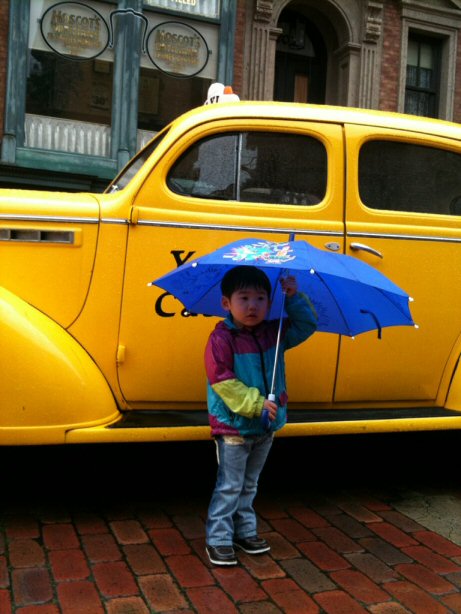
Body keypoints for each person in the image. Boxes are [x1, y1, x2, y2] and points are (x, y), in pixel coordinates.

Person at [204, 265, 317, 566]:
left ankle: (244, 531)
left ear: (269, 302)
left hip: (265, 427)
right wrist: (256, 404)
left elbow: (307, 325)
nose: (252, 306)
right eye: (243, 298)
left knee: (250, 484)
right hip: (234, 428)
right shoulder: (221, 339)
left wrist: (293, 298)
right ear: (226, 303)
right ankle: (218, 538)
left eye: (260, 299)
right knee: (230, 485)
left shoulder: (273, 333)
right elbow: (222, 380)